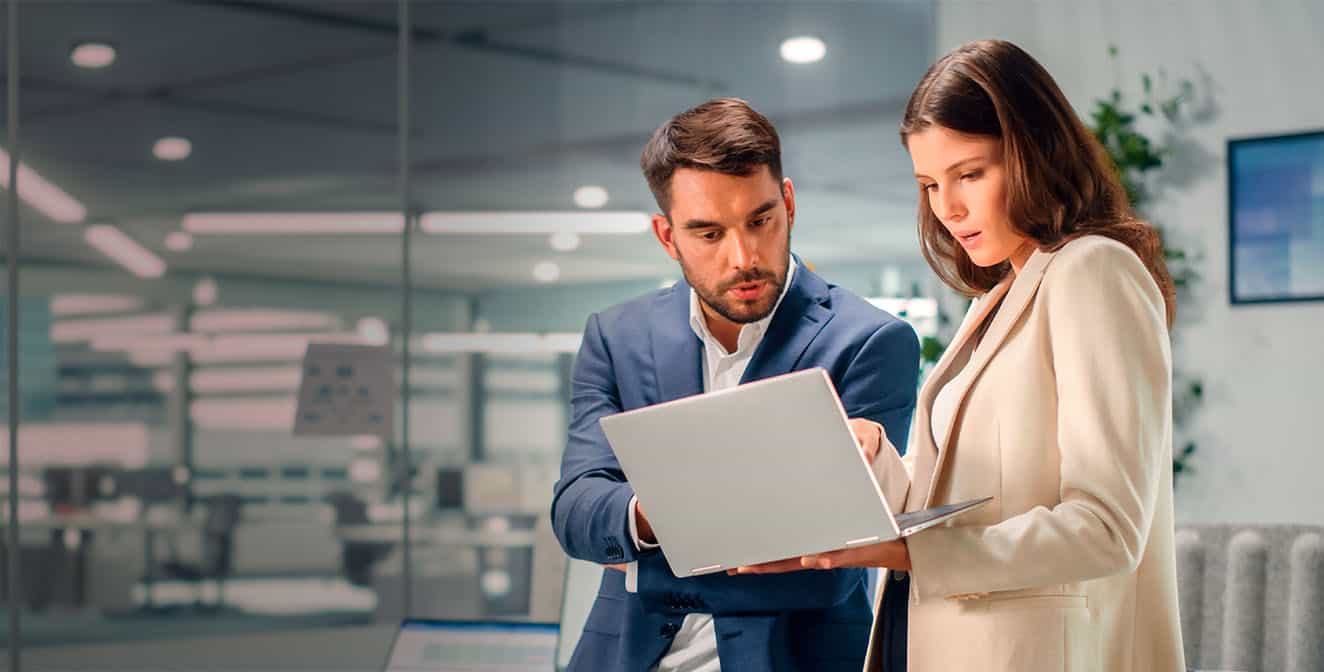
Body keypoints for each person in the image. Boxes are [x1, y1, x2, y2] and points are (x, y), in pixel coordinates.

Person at [737, 40, 1186, 671]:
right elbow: (951, 498)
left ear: (1034, 152)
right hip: (926, 640)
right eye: (929, 184)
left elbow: (1106, 529)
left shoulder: (1092, 271)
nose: (947, 208)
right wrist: (867, 464)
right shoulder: (994, 298)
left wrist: (906, 554)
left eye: (970, 174)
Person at [550, 97, 920, 672]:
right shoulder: (616, 337)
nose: (744, 257)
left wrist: (641, 558)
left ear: (789, 203)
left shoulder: (871, 341)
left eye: (760, 220)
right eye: (707, 233)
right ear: (666, 236)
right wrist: (689, 512)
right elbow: (576, 514)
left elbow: (828, 569)